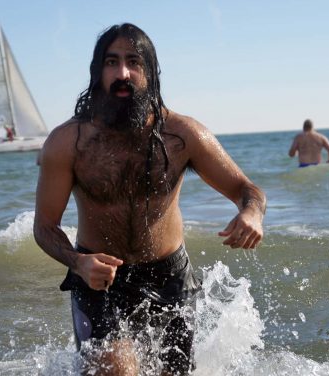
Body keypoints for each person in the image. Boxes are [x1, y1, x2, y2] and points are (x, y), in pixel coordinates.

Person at [33, 23, 266, 375]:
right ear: (98, 73)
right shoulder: (68, 143)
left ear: (150, 72)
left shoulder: (183, 135)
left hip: (169, 278)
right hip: (99, 281)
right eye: (112, 62)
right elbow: (44, 227)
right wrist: (78, 263)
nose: (123, 73)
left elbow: (249, 191)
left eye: (134, 62)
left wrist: (251, 214)